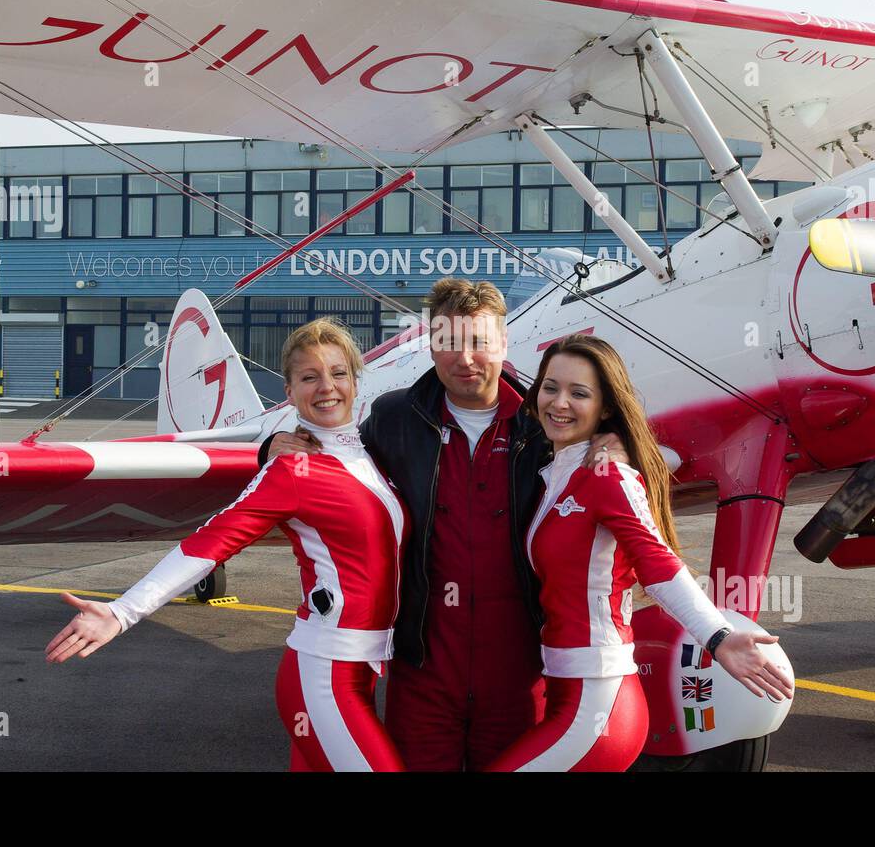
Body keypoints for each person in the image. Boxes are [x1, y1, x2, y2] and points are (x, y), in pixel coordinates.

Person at [262, 278, 627, 771]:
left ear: (503, 342)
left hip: (519, 669)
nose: (465, 358)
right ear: (431, 345)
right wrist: (272, 447)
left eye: (478, 341)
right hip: (424, 670)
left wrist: (617, 443)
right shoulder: (393, 418)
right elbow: (337, 459)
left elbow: (626, 471)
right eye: (449, 342)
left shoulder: (546, 425)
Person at [45, 318, 408, 772]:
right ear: (289, 391)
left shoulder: (370, 455)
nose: (326, 387)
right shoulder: (290, 471)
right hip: (324, 675)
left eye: (338, 373)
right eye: (309, 377)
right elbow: (210, 543)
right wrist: (123, 611)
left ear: (356, 381)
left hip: (368, 667)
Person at [485, 333, 795, 772]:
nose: (560, 403)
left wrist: (718, 636)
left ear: (606, 406)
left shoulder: (607, 473)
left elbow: (657, 562)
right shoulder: (554, 473)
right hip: (564, 688)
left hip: (598, 701)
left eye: (580, 393)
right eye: (550, 388)